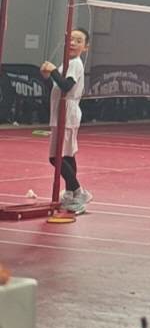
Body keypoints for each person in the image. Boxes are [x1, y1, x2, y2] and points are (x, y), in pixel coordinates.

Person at [40, 29, 91, 213]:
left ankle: (79, 192)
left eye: (78, 40)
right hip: (61, 111)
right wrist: (49, 75)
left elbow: (66, 86)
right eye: (71, 39)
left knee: (55, 157)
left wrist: (53, 70)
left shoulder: (75, 64)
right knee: (68, 155)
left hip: (67, 112)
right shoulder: (67, 63)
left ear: (85, 47)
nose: (73, 43)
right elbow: (56, 85)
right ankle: (70, 193)